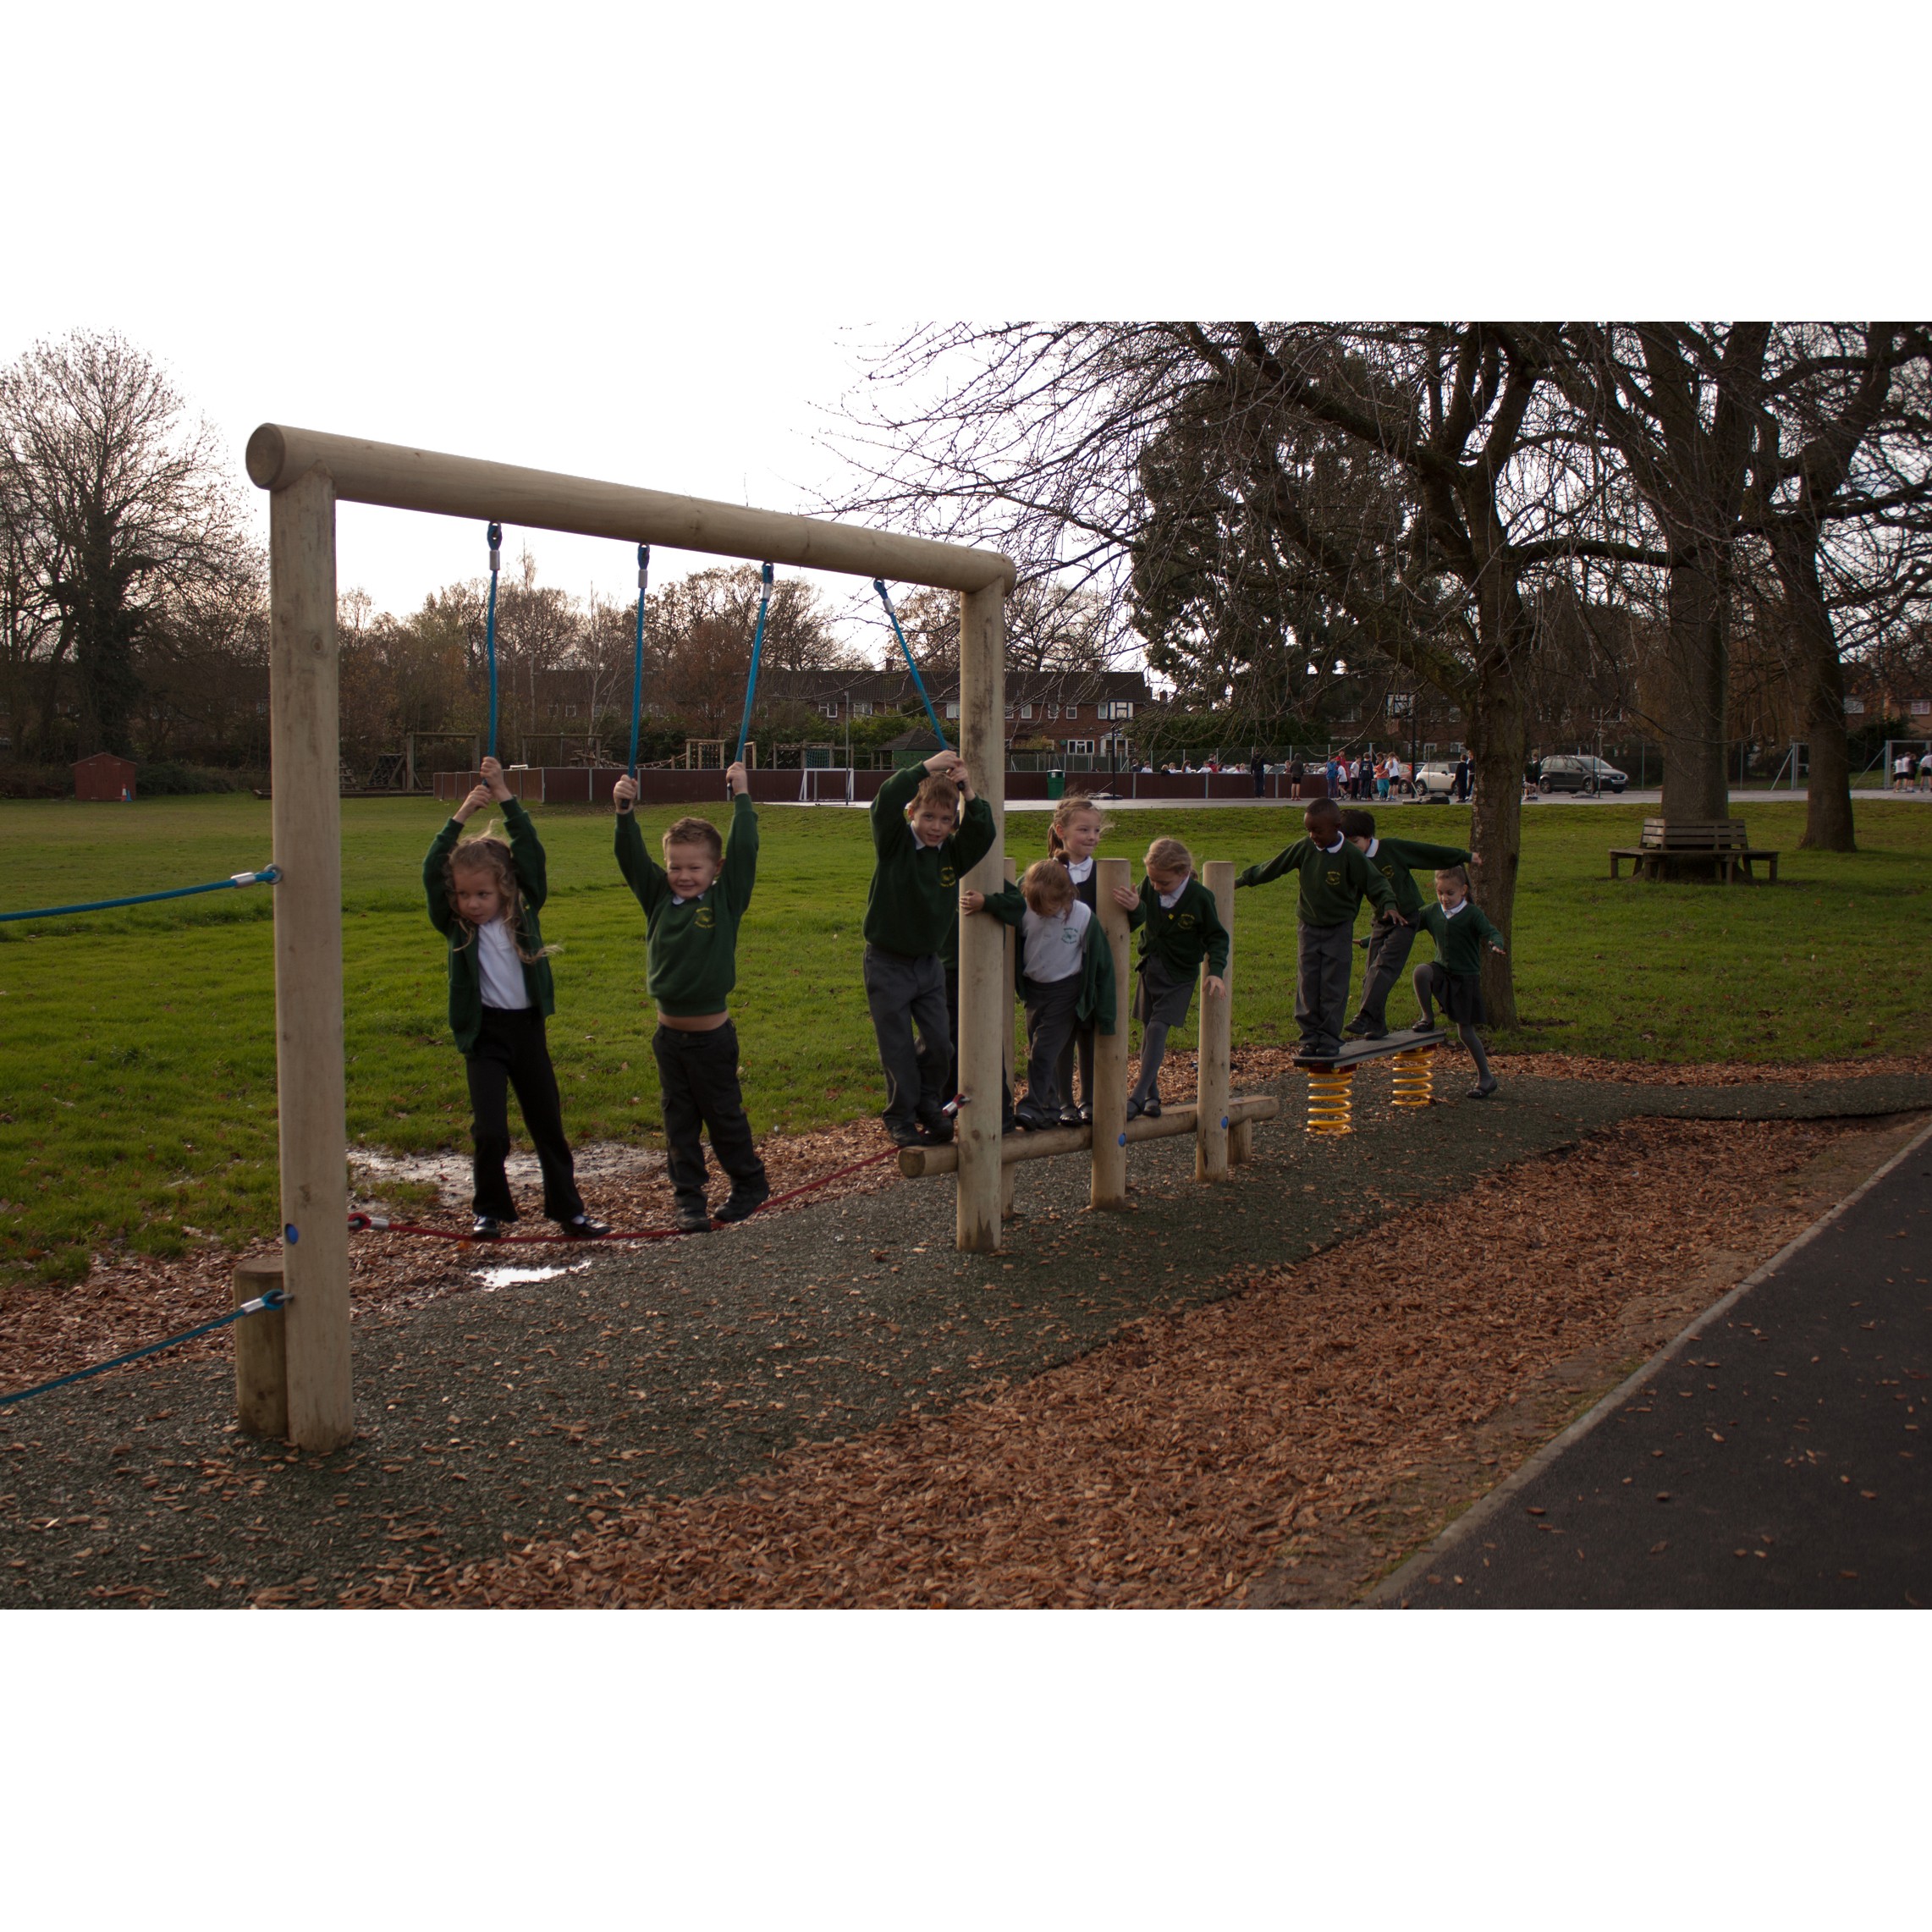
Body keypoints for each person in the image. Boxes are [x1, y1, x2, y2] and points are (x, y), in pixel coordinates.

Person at [423, 756, 608, 1242]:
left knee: (548, 1124)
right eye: (464, 895)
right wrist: (461, 813)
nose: (472, 903)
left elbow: (531, 850)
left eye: (482, 893)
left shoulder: (523, 912)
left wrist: (505, 794)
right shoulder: (456, 926)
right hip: (484, 1035)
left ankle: (570, 1213)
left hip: (526, 1031)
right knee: (490, 1133)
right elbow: (430, 870)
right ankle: (489, 1211)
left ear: (504, 890)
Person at [612, 760, 768, 1234]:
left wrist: (742, 797)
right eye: (675, 866)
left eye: (694, 867)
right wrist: (624, 814)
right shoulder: (657, 897)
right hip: (669, 1039)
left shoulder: (725, 899)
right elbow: (630, 859)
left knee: (722, 1117)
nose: (683, 875)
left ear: (715, 868)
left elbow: (746, 851)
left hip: (712, 1039)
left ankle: (748, 1183)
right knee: (679, 1123)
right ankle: (689, 1200)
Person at [863, 749, 995, 1148]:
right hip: (886, 963)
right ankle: (900, 1115)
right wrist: (924, 768)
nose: (936, 827)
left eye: (945, 820)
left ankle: (925, 1101)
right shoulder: (895, 845)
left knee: (941, 1044)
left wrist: (968, 791)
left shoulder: (952, 856)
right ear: (912, 816)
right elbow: (883, 801)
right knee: (898, 1047)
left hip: (927, 966)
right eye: (928, 818)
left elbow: (983, 832)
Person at [1235, 796, 1401, 1060]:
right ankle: (1309, 1037)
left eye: (1318, 830)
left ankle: (1329, 1038)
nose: (1313, 836)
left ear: (1337, 827)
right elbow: (1273, 867)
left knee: (1333, 983)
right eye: (1309, 830)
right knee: (1308, 982)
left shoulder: (1351, 855)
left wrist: (1388, 904)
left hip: (1339, 928)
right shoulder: (1305, 848)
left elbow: (1376, 883)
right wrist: (1241, 881)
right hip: (1308, 926)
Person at [963, 859, 1117, 1130]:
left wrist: (1106, 1016)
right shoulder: (1028, 908)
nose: (1041, 912)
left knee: (1044, 1051)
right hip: (1034, 991)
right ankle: (1048, 1109)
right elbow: (1004, 901)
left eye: (1048, 907)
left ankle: (1034, 1106)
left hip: (1065, 991)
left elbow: (1103, 966)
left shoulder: (1081, 916)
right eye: (1035, 906)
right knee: (1036, 1047)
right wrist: (984, 902)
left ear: (1066, 896)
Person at [1111, 835, 1229, 1118]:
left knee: (1157, 1029)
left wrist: (1216, 973)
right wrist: (1134, 906)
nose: (1156, 887)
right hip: (1151, 968)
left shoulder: (1200, 898)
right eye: (1152, 880)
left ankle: (1137, 1096)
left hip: (1180, 975)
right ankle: (1153, 1097)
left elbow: (1216, 937)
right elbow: (1138, 919)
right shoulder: (1150, 888)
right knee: (1148, 1031)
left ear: (1184, 873)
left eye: (1163, 883)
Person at [1336, 808, 1472, 1039]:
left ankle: (1365, 1016)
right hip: (1381, 922)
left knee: (1384, 967)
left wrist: (1465, 856)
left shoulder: (1391, 849)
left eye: (1355, 841)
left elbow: (1427, 853)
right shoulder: (1354, 861)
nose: (1351, 847)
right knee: (1370, 973)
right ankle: (1376, 1025)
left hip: (1406, 919)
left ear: (1368, 836)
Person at [1412, 864, 1507, 1099]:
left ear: (1463, 890)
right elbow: (1404, 927)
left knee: (1465, 1032)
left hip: (1465, 978)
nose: (1444, 898)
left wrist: (1496, 944)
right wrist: (1368, 940)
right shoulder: (1433, 912)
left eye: (1450, 893)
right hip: (1442, 971)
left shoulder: (1472, 914)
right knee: (1421, 972)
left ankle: (1486, 1077)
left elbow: (1490, 931)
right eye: (1440, 892)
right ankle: (1427, 1017)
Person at [1045, 794, 1111, 1123]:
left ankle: (1088, 1099)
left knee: (1088, 1032)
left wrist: (1134, 906)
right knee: (1061, 1035)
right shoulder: (1050, 872)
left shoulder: (1107, 873)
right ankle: (1062, 1101)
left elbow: (1129, 920)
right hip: (1059, 968)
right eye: (1084, 830)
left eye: (1096, 831)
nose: (1092, 837)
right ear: (1061, 831)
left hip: (1091, 971)